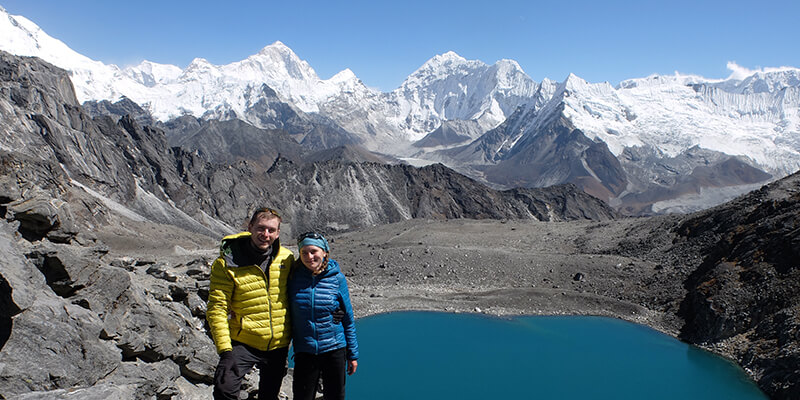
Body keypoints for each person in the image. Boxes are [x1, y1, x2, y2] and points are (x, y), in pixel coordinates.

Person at [206, 207, 295, 400]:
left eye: (271, 230)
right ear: (250, 227)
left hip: (278, 344)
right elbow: (217, 308)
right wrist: (225, 351)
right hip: (243, 341)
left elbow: (306, 287)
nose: (265, 234)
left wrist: (333, 308)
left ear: (278, 233)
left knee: (269, 395)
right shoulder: (227, 263)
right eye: (261, 228)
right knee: (224, 388)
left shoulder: (286, 258)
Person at [289, 232, 359, 400]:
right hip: (305, 350)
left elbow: (348, 318)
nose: (309, 256)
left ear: (325, 252)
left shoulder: (337, 278)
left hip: (334, 348)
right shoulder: (293, 277)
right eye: (304, 252)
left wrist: (353, 355)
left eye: (314, 251)